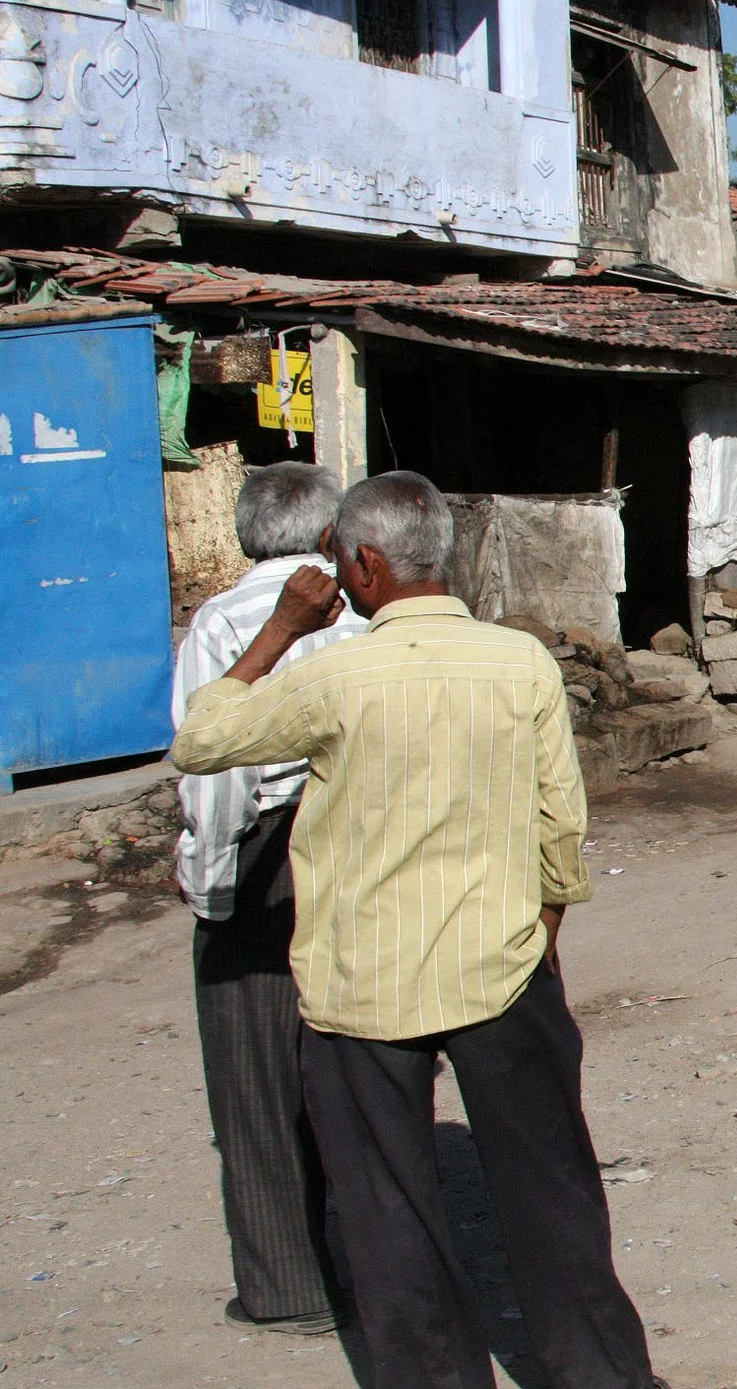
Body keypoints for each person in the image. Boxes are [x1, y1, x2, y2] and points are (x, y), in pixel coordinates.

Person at [171, 472, 665, 1389]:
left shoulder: (330, 676)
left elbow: (202, 739)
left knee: (389, 1211)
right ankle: (600, 1372)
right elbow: (561, 818)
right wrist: (546, 926)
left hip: (364, 984)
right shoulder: (517, 662)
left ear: (360, 564)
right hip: (503, 965)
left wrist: (282, 629)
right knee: (552, 1190)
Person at [172, 462, 365, 1337]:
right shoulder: (361, 617)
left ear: (249, 534)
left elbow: (216, 776)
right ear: (329, 535)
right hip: (353, 844)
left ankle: (289, 1287)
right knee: (354, 1062)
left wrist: (213, 888)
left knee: (255, 1076)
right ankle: (377, 1268)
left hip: (265, 856)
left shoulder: (222, 622)